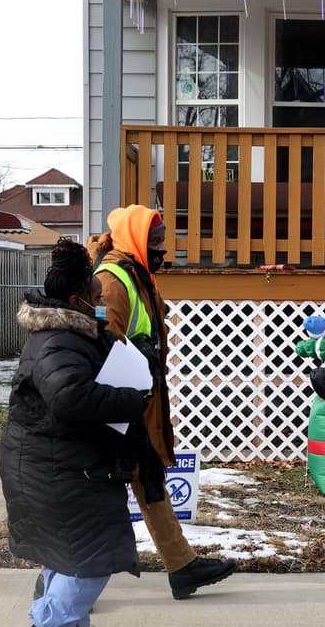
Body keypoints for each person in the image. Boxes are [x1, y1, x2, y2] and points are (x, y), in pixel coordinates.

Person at [0, 239, 155, 627]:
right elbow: (70, 397)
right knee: (92, 558)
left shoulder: (70, 334)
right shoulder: (58, 342)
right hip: (56, 469)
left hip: (58, 463)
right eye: (96, 291)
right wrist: (131, 399)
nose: (102, 297)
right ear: (75, 300)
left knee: (68, 555)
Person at [86, 205, 237, 600]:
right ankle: (57, 580)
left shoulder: (139, 276)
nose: (161, 247)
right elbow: (103, 344)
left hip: (137, 401)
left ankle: (182, 565)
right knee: (101, 493)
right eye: (154, 240)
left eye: (162, 239)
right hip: (117, 407)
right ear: (134, 238)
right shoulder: (113, 279)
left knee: (148, 479)